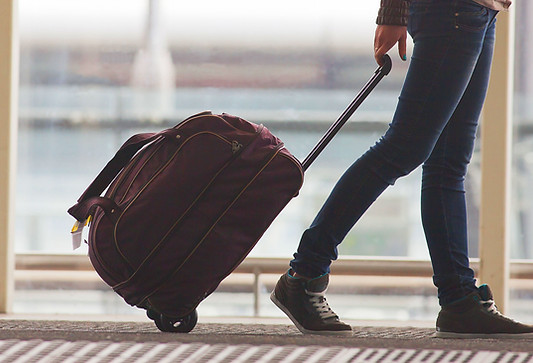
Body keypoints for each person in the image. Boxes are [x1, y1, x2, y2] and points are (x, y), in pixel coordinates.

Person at [270, 0, 533, 338]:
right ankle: (303, 275)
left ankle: (459, 301)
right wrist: (393, 13)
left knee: (448, 161)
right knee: (404, 148)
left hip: (483, 10)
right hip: (452, 10)